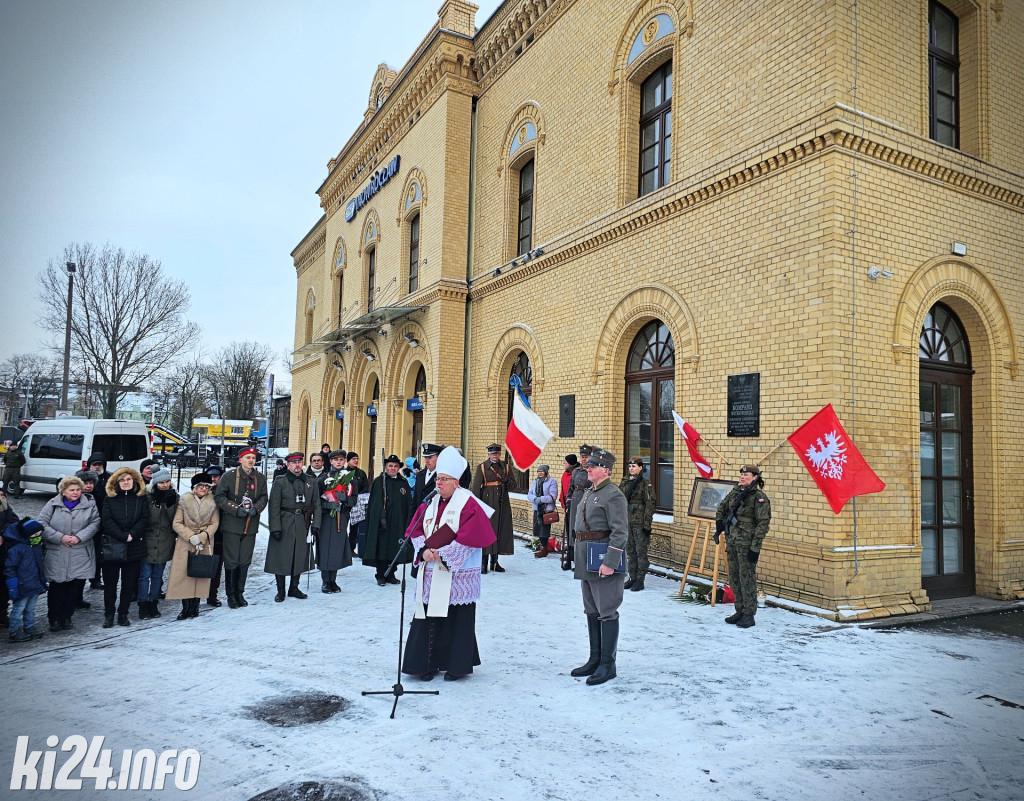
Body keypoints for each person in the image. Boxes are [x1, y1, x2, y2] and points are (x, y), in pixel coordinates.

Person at [402, 446, 497, 681]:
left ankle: (456, 665)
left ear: (456, 482)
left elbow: (473, 536)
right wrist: (424, 550)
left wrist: (443, 554)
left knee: (456, 618)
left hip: (457, 570)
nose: (439, 483)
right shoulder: (430, 503)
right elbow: (415, 529)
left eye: (444, 479)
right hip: (431, 567)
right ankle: (425, 664)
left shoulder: (468, 503)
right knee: (427, 617)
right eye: (438, 479)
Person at [571, 447, 628, 686]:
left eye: (593, 467)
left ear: (605, 470)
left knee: (606, 611)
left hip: (603, 558)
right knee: (591, 610)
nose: (588, 469)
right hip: (587, 557)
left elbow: (620, 532)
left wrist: (610, 563)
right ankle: (594, 659)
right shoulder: (590, 491)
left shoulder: (613, 495)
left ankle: (608, 664)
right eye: (588, 466)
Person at [38, 475, 100, 631]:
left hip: (79, 551)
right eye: (72, 490)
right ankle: (54, 619)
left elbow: (95, 523)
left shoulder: (90, 504)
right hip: (57, 551)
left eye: (78, 489)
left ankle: (67, 617)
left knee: (73, 588)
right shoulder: (52, 504)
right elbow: (41, 523)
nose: (76, 492)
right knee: (56, 587)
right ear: (63, 491)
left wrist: (79, 537)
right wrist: (61, 537)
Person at [715, 464, 770, 629]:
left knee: (747, 579)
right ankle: (739, 609)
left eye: (747, 474)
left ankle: (749, 614)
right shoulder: (736, 492)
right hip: (732, 542)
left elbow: (763, 524)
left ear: (755, 477)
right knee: (735, 577)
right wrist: (719, 523)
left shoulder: (759, 497)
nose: (743, 477)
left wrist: (756, 547)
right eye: (742, 474)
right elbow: (722, 507)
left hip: (747, 544)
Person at [213, 446, 268, 608]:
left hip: (250, 525)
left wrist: (256, 508)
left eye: (253, 457)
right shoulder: (229, 476)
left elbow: (264, 497)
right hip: (232, 525)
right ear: (240, 459)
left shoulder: (260, 478)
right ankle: (231, 595)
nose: (251, 460)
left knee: (244, 560)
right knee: (231, 560)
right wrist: (236, 509)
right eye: (247, 457)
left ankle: (239, 593)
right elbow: (220, 497)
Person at [266, 452, 320, 601]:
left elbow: (317, 504)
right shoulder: (280, 481)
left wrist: (316, 524)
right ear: (288, 465)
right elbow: (274, 506)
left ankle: (294, 588)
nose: (297, 465)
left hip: (302, 522)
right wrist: (275, 527)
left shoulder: (310, 481)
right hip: (284, 522)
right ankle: (281, 590)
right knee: (281, 556)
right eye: (294, 462)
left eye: (299, 462)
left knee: (299, 555)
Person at [101, 468, 149, 627]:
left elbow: (144, 519)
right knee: (110, 585)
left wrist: (132, 535)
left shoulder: (141, 499)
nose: (126, 482)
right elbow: (106, 520)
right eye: (122, 480)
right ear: (116, 483)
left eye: (129, 479)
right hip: (113, 546)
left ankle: (123, 613)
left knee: (128, 585)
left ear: (134, 481)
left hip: (134, 546)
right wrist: (122, 536)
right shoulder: (109, 499)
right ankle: (109, 614)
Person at [168, 473, 220, 620]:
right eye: (200, 485)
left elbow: (214, 523)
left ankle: (195, 607)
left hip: (204, 542)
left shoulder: (213, 502)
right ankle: (185, 608)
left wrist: (202, 537)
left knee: (200, 574)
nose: (203, 488)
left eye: (206, 486)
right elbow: (177, 523)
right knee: (184, 575)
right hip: (186, 542)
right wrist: (191, 536)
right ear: (194, 487)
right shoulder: (184, 500)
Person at [364, 454, 413, 586]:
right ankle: (380, 574)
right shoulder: (379, 481)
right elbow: (374, 503)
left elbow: (408, 503)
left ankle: (391, 574)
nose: (392, 468)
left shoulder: (403, 483)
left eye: (395, 466)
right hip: (382, 523)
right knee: (382, 548)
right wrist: (380, 517)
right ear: (385, 467)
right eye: (390, 466)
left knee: (395, 548)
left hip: (398, 523)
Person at [316, 449, 356, 593]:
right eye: (336, 460)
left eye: (341, 460)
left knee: (336, 549)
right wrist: (328, 505)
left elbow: (354, 499)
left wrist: (345, 499)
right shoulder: (322, 478)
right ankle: (325, 581)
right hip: (327, 518)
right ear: (331, 461)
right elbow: (316, 501)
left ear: (344, 461)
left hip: (341, 517)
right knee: (325, 548)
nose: (339, 462)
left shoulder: (350, 479)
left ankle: (333, 580)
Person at [139, 468, 177, 619]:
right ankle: (143, 603)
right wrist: (156, 504)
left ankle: (153, 602)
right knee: (144, 575)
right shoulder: (146, 497)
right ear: (155, 484)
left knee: (157, 576)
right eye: (161, 482)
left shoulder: (175, 497)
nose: (165, 485)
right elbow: (150, 519)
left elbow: (173, 519)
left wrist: (168, 504)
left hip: (164, 541)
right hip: (148, 540)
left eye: (167, 482)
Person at [471, 444, 514, 573]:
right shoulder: (482, 467)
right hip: (487, 502)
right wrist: (478, 507)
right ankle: (483, 562)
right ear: (488, 454)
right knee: (487, 531)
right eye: (492, 453)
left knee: (500, 530)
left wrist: (507, 481)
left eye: (497, 453)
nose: (495, 455)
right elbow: (476, 488)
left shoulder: (505, 467)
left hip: (502, 502)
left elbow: (513, 485)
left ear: (500, 454)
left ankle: (494, 562)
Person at [4, 518, 47, 642]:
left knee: (30, 608)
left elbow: (40, 565)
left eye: (39, 534)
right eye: (34, 535)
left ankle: (29, 626)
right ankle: (14, 630)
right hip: (22, 585)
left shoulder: (37, 546)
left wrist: (42, 580)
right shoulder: (17, 550)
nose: (37, 537)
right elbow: (10, 568)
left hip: (34, 584)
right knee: (18, 609)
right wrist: (12, 585)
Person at [619, 457, 656, 592]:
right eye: (630, 466)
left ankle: (640, 579)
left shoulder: (646, 484)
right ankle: (632, 577)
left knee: (641, 551)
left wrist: (647, 524)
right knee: (630, 550)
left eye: (634, 466)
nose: (631, 469)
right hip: (627, 521)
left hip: (639, 522)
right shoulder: (625, 482)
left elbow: (650, 505)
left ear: (641, 468)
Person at [563, 444, 593, 571]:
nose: (584, 459)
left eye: (586, 457)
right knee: (572, 531)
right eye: (582, 457)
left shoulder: (593, 470)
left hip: (586, 501)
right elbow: (570, 488)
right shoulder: (576, 471)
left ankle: (582, 562)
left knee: (583, 532)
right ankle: (570, 558)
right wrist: (568, 503)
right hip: (575, 501)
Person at [85, 453, 111, 591]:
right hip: (85, 523)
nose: (96, 467)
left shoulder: (109, 479)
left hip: (103, 521)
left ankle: (96, 578)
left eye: (99, 464)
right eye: (94, 464)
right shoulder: (83, 477)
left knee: (100, 552)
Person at [203, 463, 225, 606]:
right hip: (204, 537)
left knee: (216, 569)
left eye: (216, 476)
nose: (213, 479)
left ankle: (212, 595)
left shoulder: (224, 492)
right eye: (210, 477)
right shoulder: (202, 492)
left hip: (219, 537)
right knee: (201, 567)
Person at [1, 487, 22, 627]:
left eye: (2, 494)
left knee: (2, 585)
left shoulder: (4, 506)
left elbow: (14, 521)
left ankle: (2, 612)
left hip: (3, 553)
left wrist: (2, 534)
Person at [527, 465, 558, 558]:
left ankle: (544, 548)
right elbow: (529, 494)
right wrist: (535, 499)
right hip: (537, 509)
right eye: (538, 471)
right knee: (537, 528)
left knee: (544, 530)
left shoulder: (552, 482)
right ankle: (540, 546)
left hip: (546, 510)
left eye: (542, 471)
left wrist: (541, 499)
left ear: (546, 472)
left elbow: (553, 496)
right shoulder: (535, 481)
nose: (540, 473)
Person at [344, 451, 369, 555]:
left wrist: (359, 496)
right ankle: (343, 547)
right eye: (354, 459)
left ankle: (352, 547)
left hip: (359, 503)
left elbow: (366, 486)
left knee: (356, 527)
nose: (356, 461)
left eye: (357, 458)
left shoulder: (361, 473)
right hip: (347, 503)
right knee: (344, 526)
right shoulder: (344, 473)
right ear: (348, 460)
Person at [411, 443, 442, 508]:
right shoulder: (420, 475)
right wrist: (412, 518)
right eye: (425, 457)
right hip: (420, 515)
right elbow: (415, 501)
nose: (426, 461)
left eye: (430, 457)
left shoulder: (442, 477)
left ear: (439, 457)